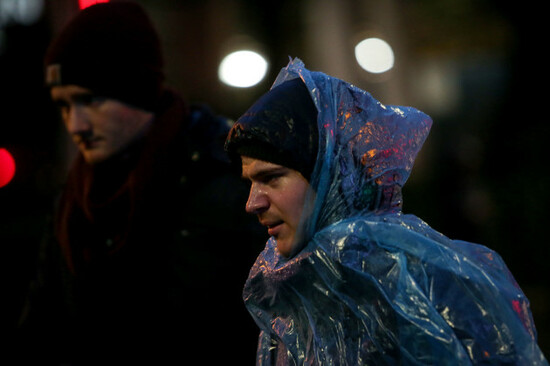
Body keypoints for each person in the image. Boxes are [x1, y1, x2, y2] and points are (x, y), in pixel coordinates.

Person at [225, 58, 548, 365]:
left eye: (271, 178)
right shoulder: (287, 293)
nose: (253, 203)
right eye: (250, 183)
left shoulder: (423, 281)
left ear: (329, 174)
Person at [16, 2, 265, 364]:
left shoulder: (227, 183)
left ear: (138, 90)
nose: (76, 125)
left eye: (91, 100)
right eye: (64, 106)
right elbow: (42, 327)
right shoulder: (74, 202)